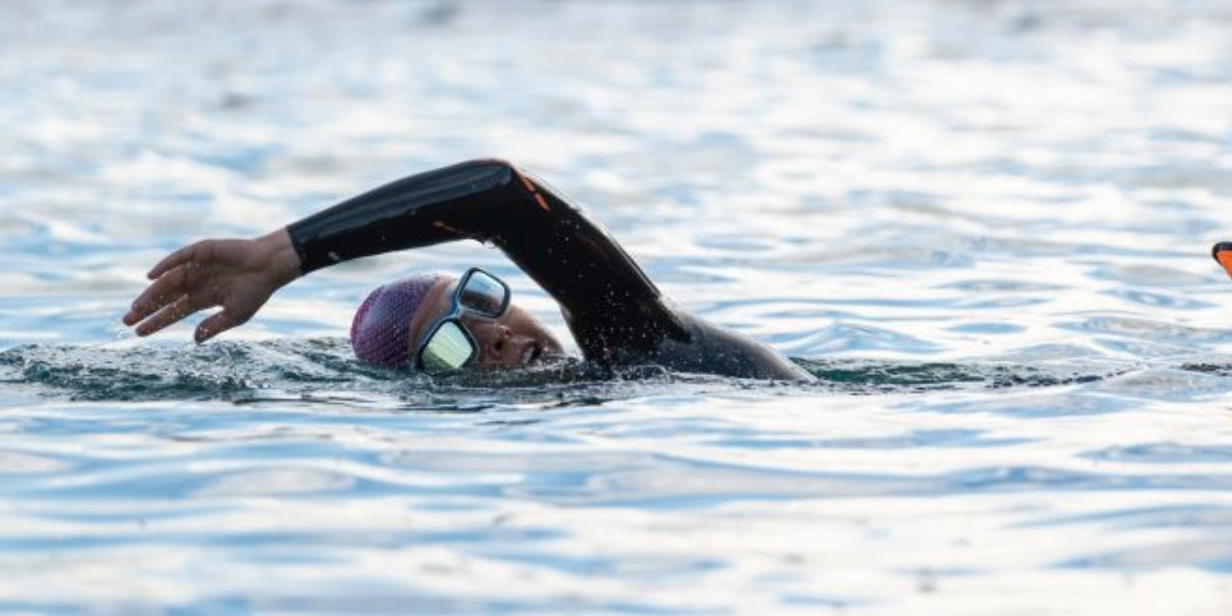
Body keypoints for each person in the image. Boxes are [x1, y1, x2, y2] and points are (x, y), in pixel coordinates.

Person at [121, 159, 810, 381]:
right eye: (453, 349)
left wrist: (282, 254)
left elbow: (500, 195)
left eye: (481, 306)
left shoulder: (638, 340)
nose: (500, 339)